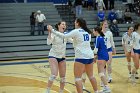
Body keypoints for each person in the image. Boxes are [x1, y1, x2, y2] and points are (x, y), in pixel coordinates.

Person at [47, 18, 99, 93]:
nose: (74, 23)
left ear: (78, 23)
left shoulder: (76, 31)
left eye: (75, 22)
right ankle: (96, 91)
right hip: (90, 56)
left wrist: (52, 30)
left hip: (81, 56)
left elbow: (65, 37)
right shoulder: (88, 32)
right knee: (91, 76)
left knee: (78, 78)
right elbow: (78, 41)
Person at [46, 21, 72, 93]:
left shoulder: (66, 35)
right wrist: (50, 32)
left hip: (62, 57)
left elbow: (73, 41)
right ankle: (47, 90)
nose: (64, 26)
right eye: (63, 24)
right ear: (58, 26)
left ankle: (61, 91)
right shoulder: (54, 33)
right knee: (54, 74)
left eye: (65, 24)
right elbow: (48, 43)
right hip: (53, 55)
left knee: (63, 77)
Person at [93, 26, 111, 92]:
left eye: (93, 31)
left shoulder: (98, 38)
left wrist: (90, 54)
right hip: (105, 55)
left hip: (102, 56)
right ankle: (104, 87)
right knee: (102, 72)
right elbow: (101, 49)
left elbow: (96, 50)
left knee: (101, 73)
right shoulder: (102, 37)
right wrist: (95, 57)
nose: (93, 32)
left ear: (96, 31)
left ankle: (107, 88)